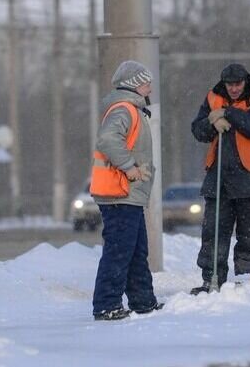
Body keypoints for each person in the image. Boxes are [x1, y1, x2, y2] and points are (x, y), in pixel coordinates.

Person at [190, 63, 250, 295]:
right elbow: (197, 130)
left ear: (246, 82)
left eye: (238, 84)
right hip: (219, 179)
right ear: (224, 83)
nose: (234, 89)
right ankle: (211, 280)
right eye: (230, 85)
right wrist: (211, 122)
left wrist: (230, 113)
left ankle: (246, 280)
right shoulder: (213, 97)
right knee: (213, 233)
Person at [90, 60, 163, 320]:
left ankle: (143, 301)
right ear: (134, 84)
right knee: (119, 250)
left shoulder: (132, 109)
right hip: (119, 192)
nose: (150, 86)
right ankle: (106, 305)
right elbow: (108, 139)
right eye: (146, 82)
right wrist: (129, 167)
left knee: (135, 250)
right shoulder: (124, 109)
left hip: (127, 194)